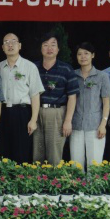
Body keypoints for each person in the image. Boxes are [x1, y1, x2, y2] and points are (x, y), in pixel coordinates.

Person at [0, 33, 43, 164]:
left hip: (22, 113)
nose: (10, 45)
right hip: (3, 113)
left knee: (21, 151)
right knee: (3, 151)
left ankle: (20, 177)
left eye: (13, 41)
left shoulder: (30, 67)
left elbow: (35, 95)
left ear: (20, 45)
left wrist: (33, 120)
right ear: (2, 47)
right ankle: (4, 177)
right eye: (6, 42)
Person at [33, 32, 79, 165]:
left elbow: (72, 97)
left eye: (53, 45)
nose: (49, 48)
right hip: (36, 112)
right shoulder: (33, 68)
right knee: (37, 152)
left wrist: (68, 121)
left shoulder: (66, 69)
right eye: (45, 45)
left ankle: (54, 178)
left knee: (54, 154)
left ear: (58, 49)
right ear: (41, 48)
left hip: (57, 113)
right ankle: (37, 178)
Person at [70, 42, 110, 170]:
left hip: (95, 126)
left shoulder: (102, 76)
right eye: (79, 54)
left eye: (86, 53)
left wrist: (103, 124)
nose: (83, 57)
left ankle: (93, 184)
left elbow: (106, 102)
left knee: (95, 164)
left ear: (93, 55)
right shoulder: (72, 75)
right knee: (76, 164)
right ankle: (78, 183)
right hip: (76, 125)